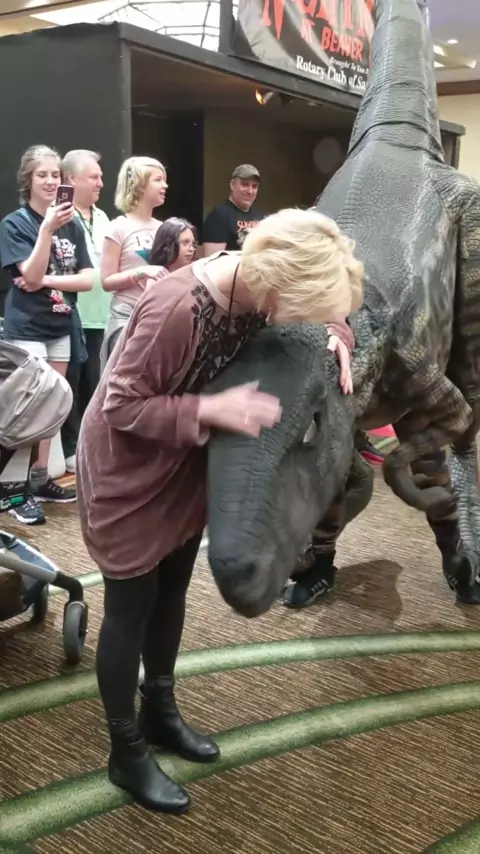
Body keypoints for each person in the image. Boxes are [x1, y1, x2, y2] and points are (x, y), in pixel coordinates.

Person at [77, 207, 363, 814]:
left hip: (183, 462)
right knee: (130, 609)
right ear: (280, 284)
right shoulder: (176, 307)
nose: (304, 320)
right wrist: (209, 411)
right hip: (127, 471)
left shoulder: (260, 284)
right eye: (304, 307)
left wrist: (339, 337)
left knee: (172, 591)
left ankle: (160, 710)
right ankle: (125, 751)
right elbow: (120, 406)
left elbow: (331, 311)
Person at [0, 144, 93, 526]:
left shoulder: (73, 223)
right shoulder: (15, 224)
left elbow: (87, 279)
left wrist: (45, 281)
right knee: (26, 410)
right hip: (27, 326)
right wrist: (47, 230)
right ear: (29, 180)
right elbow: (30, 271)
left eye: (56, 174)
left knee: (53, 409)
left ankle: (39, 479)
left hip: (60, 325)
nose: (51, 181)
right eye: (43, 175)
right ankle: (12, 491)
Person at [60, 149, 111, 472]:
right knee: (71, 385)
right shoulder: (59, 217)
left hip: (104, 316)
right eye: (94, 177)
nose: (100, 183)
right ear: (72, 179)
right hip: (71, 314)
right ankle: (69, 450)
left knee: (97, 385)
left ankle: (93, 447)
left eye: (101, 177)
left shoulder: (104, 217)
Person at [100, 156, 168, 366]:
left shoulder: (164, 228)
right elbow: (106, 281)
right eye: (158, 180)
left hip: (157, 315)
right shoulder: (118, 227)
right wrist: (142, 272)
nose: (165, 186)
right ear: (139, 185)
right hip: (126, 315)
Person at [202, 164, 265, 256]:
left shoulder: (261, 216)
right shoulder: (219, 216)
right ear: (232, 185)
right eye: (245, 184)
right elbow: (213, 260)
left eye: (254, 186)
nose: (250, 191)